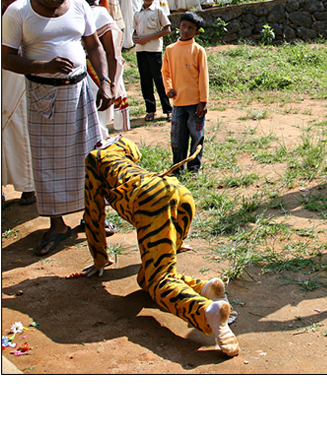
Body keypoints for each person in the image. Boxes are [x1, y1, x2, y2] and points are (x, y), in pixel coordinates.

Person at [80, 135, 239, 357]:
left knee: (158, 281)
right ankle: (205, 288)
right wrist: (177, 242)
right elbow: (135, 154)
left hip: (151, 200)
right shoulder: (124, 144)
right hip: (177, 190)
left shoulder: (94, 159)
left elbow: (94, 212)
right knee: (145, 278)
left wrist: (99, 258)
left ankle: (205, 312)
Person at [1, 0, 112, 255]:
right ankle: (58, 225)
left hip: (80, 91)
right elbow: (5, 57)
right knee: (48, 161)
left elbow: (94, 46)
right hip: (43, 95)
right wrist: (44, 66)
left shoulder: (78, 5)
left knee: (89, 156)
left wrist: (105, 81)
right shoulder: (18, 13)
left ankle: (94, 215)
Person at [73, 0, 129, 135]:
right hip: (72, 78)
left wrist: (110, 84)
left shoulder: (98, 14)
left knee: (96, 127)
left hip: (95, 77)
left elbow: (111, 54)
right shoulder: (63, 13)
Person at [1, 0, 36, 207]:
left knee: (22, 129)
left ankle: (29, 186)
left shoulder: (29, 13)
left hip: (23, 83)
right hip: (0, 81)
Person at [162, 11, 209, 175]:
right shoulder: (170, 50)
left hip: (195, 104)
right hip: (178, 103)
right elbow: (165, 72)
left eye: (191, 28)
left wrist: (203, 101)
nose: (186, 30)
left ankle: (194, 167)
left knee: (196, 136)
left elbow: (203, 76)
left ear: (196, 31)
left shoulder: (198, 50)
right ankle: (177, 167)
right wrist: (169, 89)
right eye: (184, 26)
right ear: (178, 26)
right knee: (177, 137)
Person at [133, 0, 173, 122]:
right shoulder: (137, 13)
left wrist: (148, 38)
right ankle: (150, 110)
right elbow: (135, 31)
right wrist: (135, 38)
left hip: (154, 50)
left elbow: (167, 29)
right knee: (145, 80)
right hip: (140, 50)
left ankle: (168, 109)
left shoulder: (158, 11)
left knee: (159, 79)